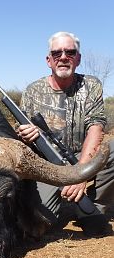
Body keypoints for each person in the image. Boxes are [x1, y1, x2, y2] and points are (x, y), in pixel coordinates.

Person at [18, 31, 114, 237]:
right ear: (48, 60)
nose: (63, 57)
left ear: (78, 59)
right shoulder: (32, 91)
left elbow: (96, 126)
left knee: (113, 150)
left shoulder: (91, 85)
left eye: (70, 52)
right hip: (46, 166)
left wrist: (80, 175)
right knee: (38, 224)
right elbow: (20, 142)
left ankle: (94, 206)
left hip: (81, 158)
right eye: (56, 53)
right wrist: (24, 135)